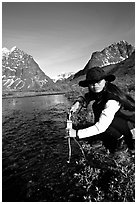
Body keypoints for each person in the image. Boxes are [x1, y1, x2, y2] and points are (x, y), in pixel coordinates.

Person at [68, 67, 135, 154]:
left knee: (102, 115)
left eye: (98, 81)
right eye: (91, 83)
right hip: (123, 124)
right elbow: (87, 96)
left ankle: (122, 141)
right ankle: (113, 137)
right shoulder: (101, 91)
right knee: (98, 108)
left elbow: (101, 127)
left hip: (132, 129)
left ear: (105, 81)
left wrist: (76, 133)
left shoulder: (111, 100)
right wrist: (78, 101)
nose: (95, 85)